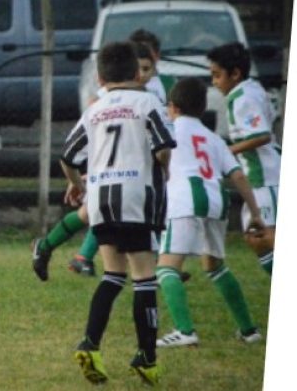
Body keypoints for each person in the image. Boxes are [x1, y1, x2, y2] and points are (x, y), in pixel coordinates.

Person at [60, 41, 175, 386]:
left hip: (101, 199)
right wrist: (162, 168)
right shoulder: (147, 102)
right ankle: (146, 357)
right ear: (136, 73)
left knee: (112, 273)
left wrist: (76, 185)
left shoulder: (94, 109)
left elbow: (67, 156)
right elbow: (165, 147)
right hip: (136, 198)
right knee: (144, 276)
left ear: (100, 76)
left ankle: (90, 344)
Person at [31, 42, 161, 281]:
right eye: (139, 68)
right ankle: (73, 254)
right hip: (114, 171)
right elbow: (95, 128)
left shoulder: (154, 94)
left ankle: (64, 251)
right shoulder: (112, 98)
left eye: (147, 68)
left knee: (94, 214)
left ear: (155, 67)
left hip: (128, 172)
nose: (143, 74)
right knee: (93, 214)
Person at [156, 77, 265, 348]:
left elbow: (158, 159)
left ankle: (185, 330)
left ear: (173, 107)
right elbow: (238, 175)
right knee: (214, 265)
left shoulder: (169, 130)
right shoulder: (212, 137)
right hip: (217, 202)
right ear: (202, 109)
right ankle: (249, 330)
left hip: (185, 201)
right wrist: (255, 213)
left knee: (166, 268)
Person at [207, 42, 279, 276]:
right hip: (257, 178)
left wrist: (226, 151)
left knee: (266, 236)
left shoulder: (243, 98)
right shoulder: (250, 89)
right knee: (255, 237)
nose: (214, 82)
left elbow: (261, 135)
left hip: (265, 177)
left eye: (217, 75)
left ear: (235, 73)